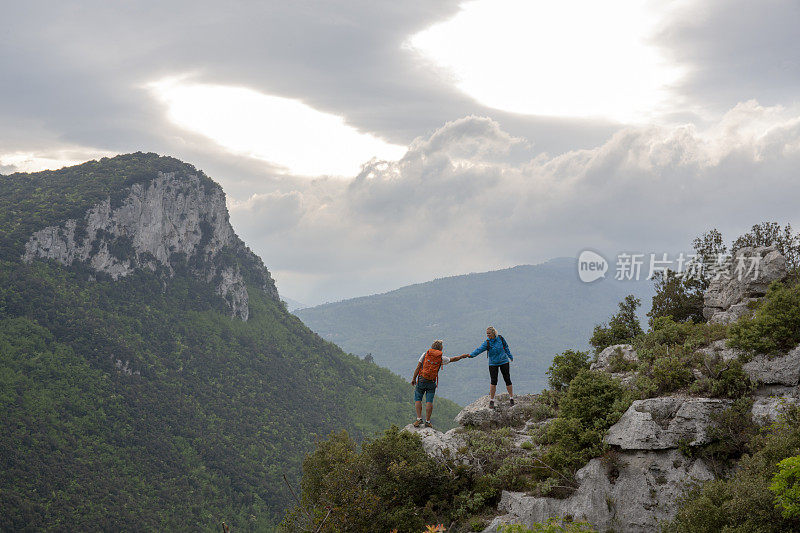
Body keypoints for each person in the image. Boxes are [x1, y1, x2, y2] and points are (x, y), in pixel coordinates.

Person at [411, 340, 466, 428]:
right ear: (441, 348)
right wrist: (462, 356)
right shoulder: (441, 358)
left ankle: (418, 419)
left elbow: (418, 367)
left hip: (421, 380)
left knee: (418, 399)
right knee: (429, 401)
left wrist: (414, 379)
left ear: (432, 346)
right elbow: (453, 359)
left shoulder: (425, 355)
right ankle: (428, 421)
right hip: (432, 382)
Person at [463, 326, 514, 409]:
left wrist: (510, 356)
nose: (488, 335)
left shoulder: (500, 338)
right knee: (493, 381)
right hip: (493, 363)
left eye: (489, 333)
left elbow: (506, 347)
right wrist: (471, 355)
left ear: (494, 333)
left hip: (504, 361)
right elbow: (479, 349)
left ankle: (511, 398)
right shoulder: (487, 342)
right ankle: (492, 400)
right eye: (487, 334)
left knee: (507, 379)